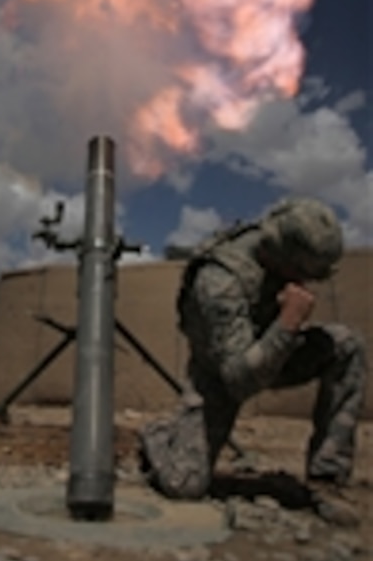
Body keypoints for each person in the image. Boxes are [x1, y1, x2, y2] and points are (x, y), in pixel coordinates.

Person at [138, 197, 367, 526]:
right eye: (304, 273)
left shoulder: (277, 254)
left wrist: (283, 333)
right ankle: (159, 436)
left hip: (273, 350)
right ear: (284, 257)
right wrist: (288, 323)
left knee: (348, 345)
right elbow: (238, 380)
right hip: (221, 373)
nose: (309, 282)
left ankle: (327, 479)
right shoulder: (219, 281)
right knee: (184, 485)